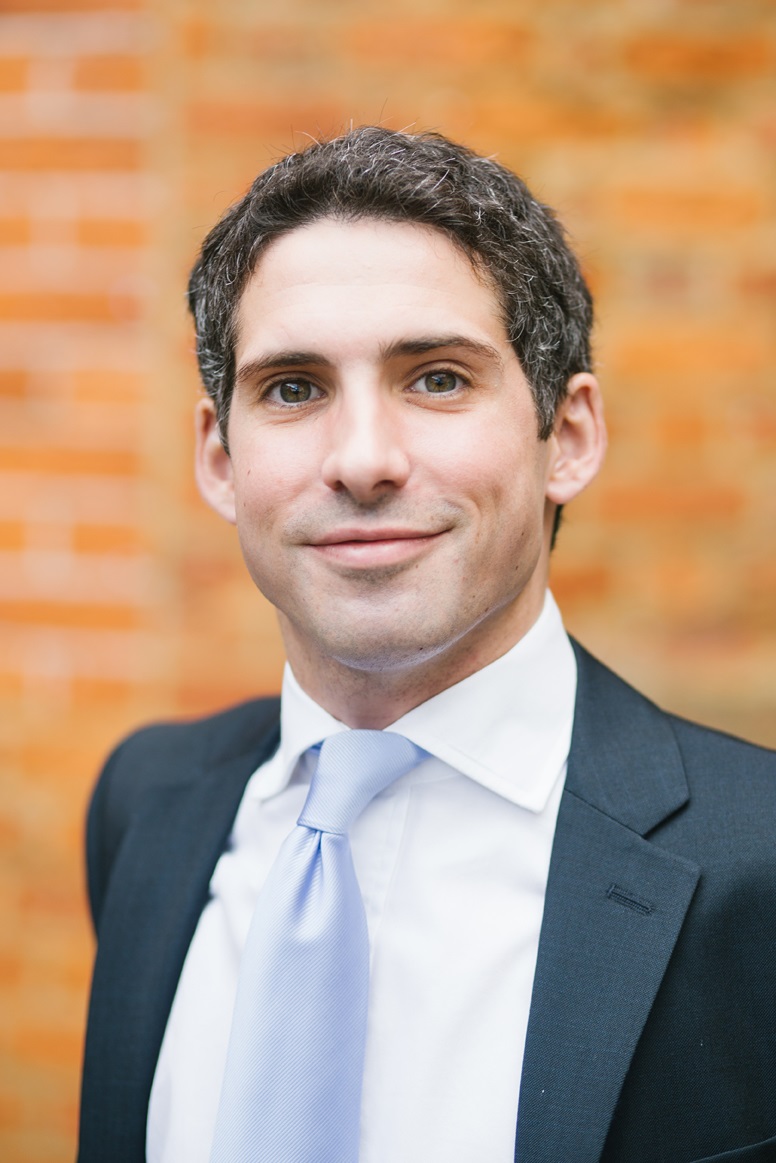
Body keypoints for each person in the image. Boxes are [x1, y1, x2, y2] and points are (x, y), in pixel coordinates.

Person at [78, 128, 776, 1163]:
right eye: (293, 388)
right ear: (219, 458)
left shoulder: (757, 862)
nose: (363, 459)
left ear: (567, 435)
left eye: (438, 378)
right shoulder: (147, 806)